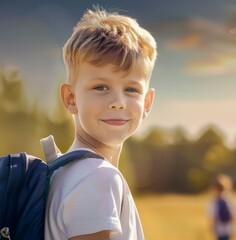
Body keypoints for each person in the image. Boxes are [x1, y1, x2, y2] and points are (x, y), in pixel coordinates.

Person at [44, 6, 157, 240]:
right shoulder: (98, 177)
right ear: (71, 98)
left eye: (131, 89)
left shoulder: (63, 172)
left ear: (147, 102)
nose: (118, 102)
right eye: (100, 87)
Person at [207, 174, 236, 240]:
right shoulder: (230, 199)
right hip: (229, 229)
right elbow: (234, 216)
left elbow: (213, 217)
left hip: (219, 230)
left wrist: (212, 228)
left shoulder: (214, 201)